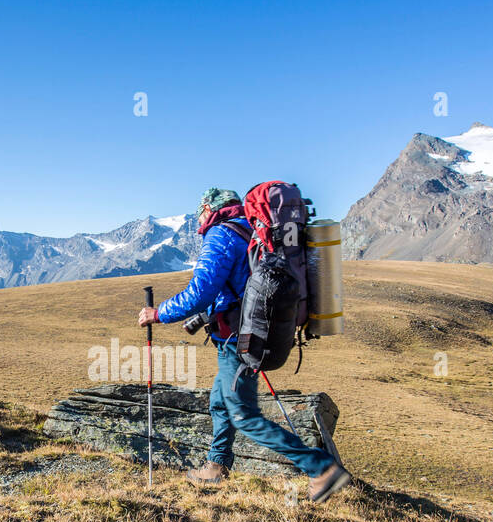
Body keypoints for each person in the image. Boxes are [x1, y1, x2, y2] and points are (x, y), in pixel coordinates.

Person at [138, 187, 352, 502]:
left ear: (209, 208)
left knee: (242, 414)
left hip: (240, 339)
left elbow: (201, 292)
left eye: (200, 210)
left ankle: (320, 468)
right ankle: (217, 465)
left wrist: (158, 313)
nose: (199, 218)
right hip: (251, 332)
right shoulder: (249, 229)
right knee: (220, 401)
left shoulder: (220, 236)